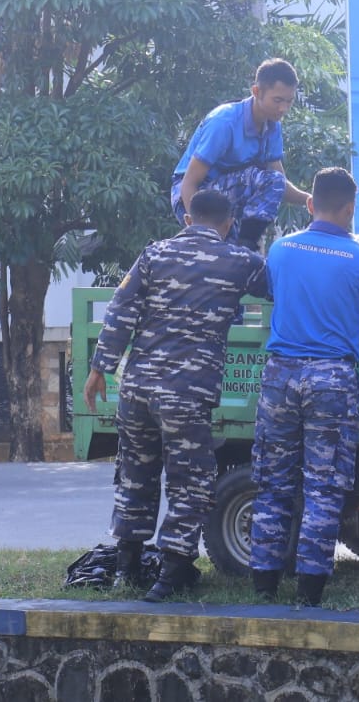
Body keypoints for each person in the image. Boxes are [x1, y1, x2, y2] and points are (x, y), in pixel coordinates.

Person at [83, 189, 269, 602]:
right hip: (186, 392)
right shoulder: (240, 261)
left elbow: (121, 309)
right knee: (190, 481)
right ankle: (172, 574)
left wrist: (100, 370)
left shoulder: (153, 254)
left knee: (135, 473)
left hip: (137, 388)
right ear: (228, 222)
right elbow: (281, 288)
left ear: (188, 219)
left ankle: (127, 567)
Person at [248, 167, 359, 607]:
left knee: (273, 482)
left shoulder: (281, 250)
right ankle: (309, 590)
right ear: (350, 208)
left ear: (310, 202)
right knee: (323, 487)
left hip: (280, 376)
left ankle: (263, 583)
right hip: (331, 381)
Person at [171, 58, 310, 252]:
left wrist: (310, 200)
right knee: (215, 250)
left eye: (289, 101)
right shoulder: (224, 122)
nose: (283, 109)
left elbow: (278, 185)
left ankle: (245, 246)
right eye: (277, 100)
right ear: (256, 92)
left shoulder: (273, 126)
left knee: (232, 260)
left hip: (228, 195)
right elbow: (189, 181)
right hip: (191, 194)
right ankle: (244, 246)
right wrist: (198, 232)